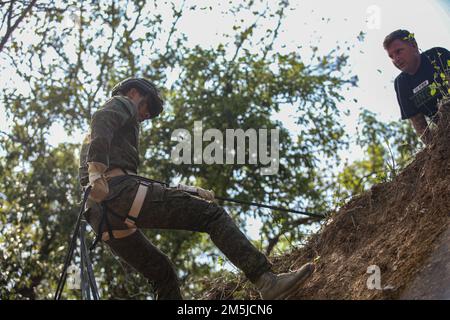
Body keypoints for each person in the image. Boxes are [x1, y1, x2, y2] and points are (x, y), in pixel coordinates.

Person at [78, 77, 314, 300]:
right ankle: (266, 281)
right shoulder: (122, 102)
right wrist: (97, 168)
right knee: (211, 215)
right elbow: (102, 118)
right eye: (147, 106)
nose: (146, 114)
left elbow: (126, 176)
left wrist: (185, 190)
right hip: (119, 193)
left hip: (100, 217)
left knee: (162, 273)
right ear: (133, 92)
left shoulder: (98, 139)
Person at [383, 29, 450, 145]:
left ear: (414, 46)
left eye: (398, 51)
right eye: (391, 57)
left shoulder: (437, 55)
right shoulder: (401, 84)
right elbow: (418, 124)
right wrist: (434, 148)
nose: (396, 59)